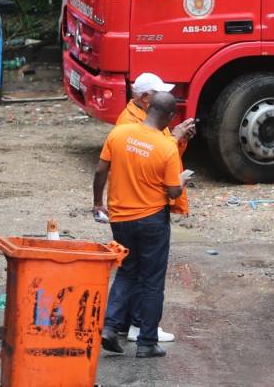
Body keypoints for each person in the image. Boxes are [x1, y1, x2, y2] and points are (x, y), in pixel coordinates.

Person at [95, 92, 184, 358]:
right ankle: (146, 342)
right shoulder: (167, 146)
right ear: (170, 117)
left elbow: (101, 170)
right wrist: (183, 184)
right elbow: (173, 192)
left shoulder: (120, 133)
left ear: (148, 108)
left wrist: (97, 202)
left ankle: (110, 328)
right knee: (152, 282)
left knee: (126, 273)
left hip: (120, 218)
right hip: (151, 220)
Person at [114, 72, 194, 343]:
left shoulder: (143, 120)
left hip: (128, 211)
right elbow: (156, 163)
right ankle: (142, 330)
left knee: (131, 271)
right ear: (145, 98)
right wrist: (174, 139)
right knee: (147, 275)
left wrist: (176, 138)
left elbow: (159, 158)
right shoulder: (129, 124)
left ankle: (119, 326)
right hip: (145, 210)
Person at [118, 72, 196, 156]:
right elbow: (154, 158)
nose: (164, 96)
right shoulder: (128, 123)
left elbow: (171, 156)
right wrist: (174, 137)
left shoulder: (153, 115)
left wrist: (181, 139)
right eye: (159, 93)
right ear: (145, 97)